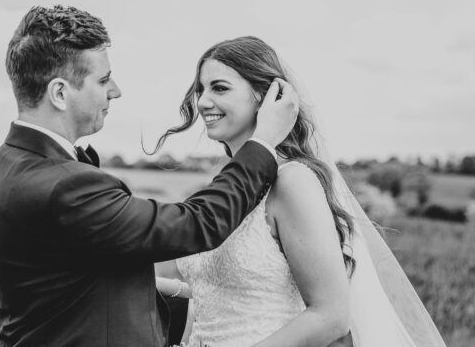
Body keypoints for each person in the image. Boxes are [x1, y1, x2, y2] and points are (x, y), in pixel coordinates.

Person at [0, 6, 300, 347]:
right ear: (59, 93)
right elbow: (197, 223)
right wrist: (263, 145)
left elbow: (70, 282)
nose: (115, 90)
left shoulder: (5, 166)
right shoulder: (64, 186)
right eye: (102, 80)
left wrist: (209, 297)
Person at [154, 36, 447, 347]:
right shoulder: (223, 187)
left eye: (219, 88)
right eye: (201, 90)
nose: (202, 102)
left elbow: (331, 316)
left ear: (265, 97)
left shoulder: (293, 182)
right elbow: (205, 300)